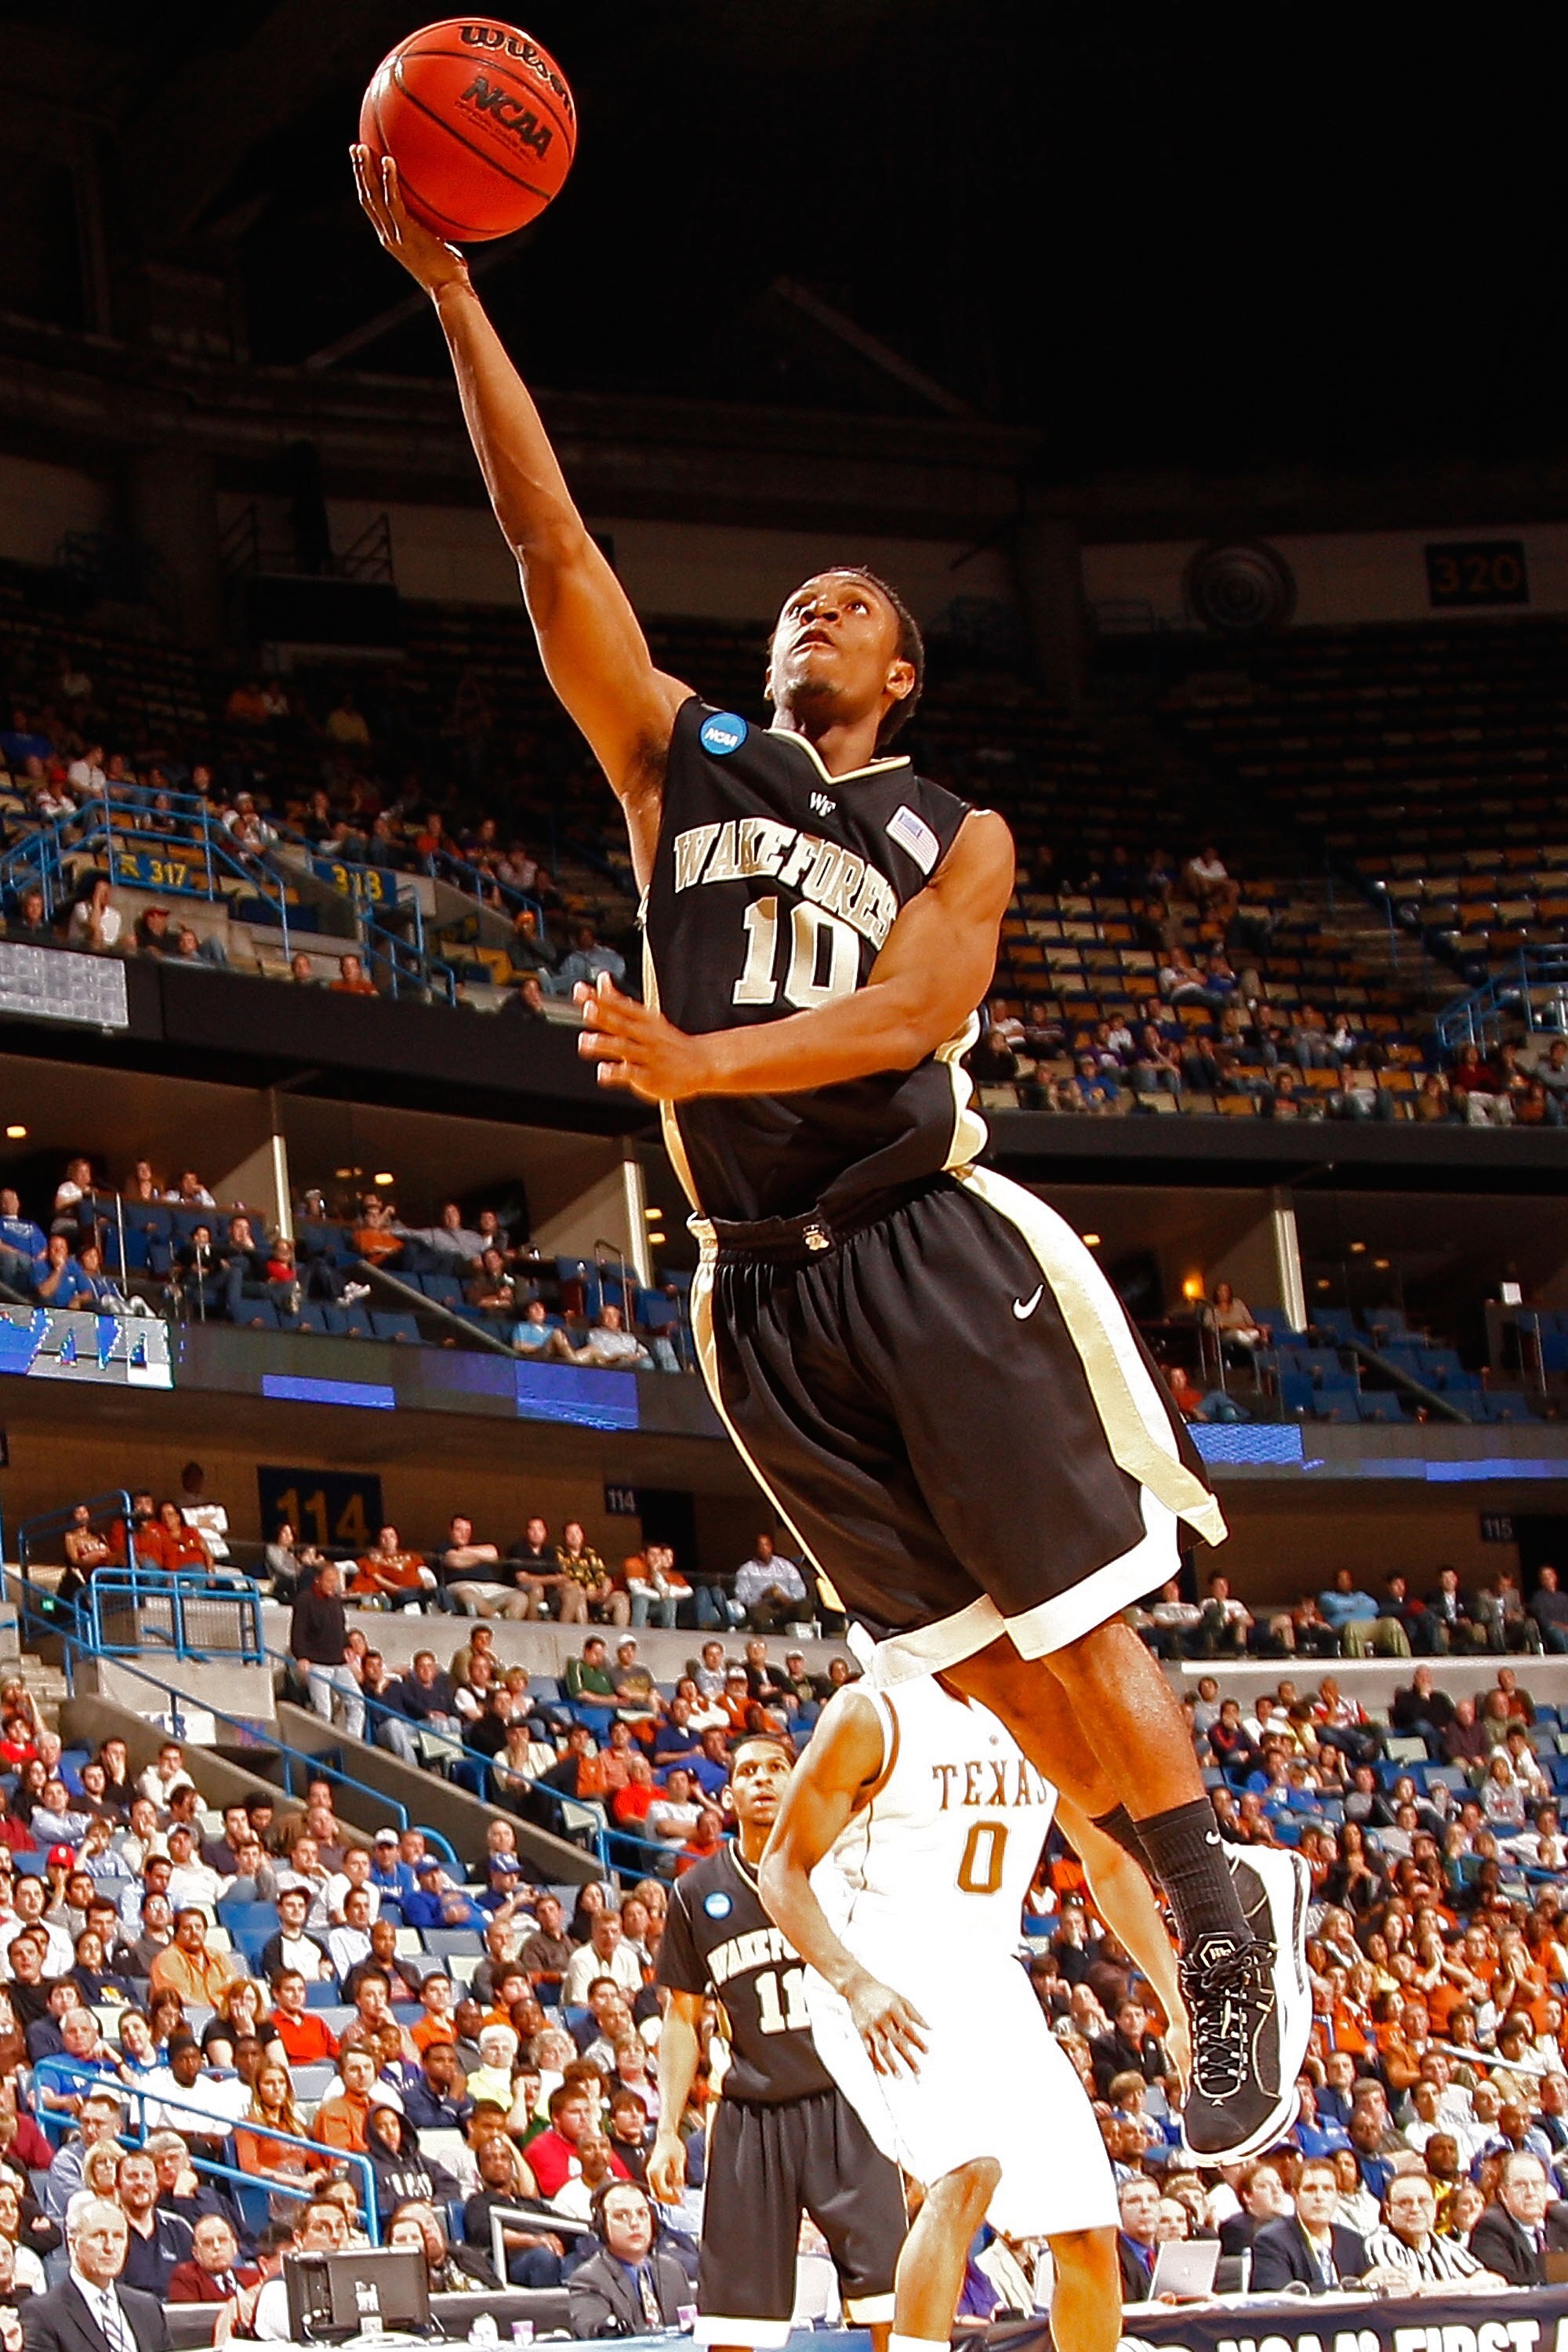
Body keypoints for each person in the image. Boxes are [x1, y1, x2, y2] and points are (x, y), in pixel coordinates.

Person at [353, 142, 1304, 2164]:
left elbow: (907, 1020)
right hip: (753, 1299)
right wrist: (449, 292)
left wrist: (697, 1055)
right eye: (800, 591)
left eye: (856, 603)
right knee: (990, 1684)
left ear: (902, 676)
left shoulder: (952, 825)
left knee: (1071, 1626)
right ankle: (1193, 1902)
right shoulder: (676, 756)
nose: (819, 604)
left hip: (916, 1236)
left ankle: (1219, 1925)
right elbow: (548, 551)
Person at [760, 1668, 1192, 2352]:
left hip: (990, 1980)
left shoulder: (1045, 1716)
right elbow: (781, 1868)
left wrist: (1172, 1996)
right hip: (880, 1977)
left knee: (1086, 2227)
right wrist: (854, 1981)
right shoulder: (872, 1711)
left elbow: (1108, 1866)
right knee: (968, 2169)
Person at [649, 1734, 902, 2352]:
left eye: (776, 1768)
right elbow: (682, 2020)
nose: (762, 1780)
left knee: (893, 2302)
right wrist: (666, 2134)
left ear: (797, 1781)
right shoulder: (694, 1892)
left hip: (849, 2103)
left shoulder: (844, 1874)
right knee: (732, 2323)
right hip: (752, 2115)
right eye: (747, 1771)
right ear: (728, 1792)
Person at [20, 2196, 171, 2352]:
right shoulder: (43, 2313)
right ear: (73, 2243)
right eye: (99, 2236)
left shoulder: (148, 2308)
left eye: (118, 2236)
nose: (110, 2247)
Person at [568, 2180, 692, 2339]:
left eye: (642, 2214)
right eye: (622, 2216)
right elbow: (595, 2334)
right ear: (602, 2225)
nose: (635, 2223)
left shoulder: (673, 2270)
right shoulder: (588, 2279)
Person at [1248, 2156, 1367, 2292]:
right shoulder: (1272, 2241)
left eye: (1327, 2189)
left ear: (1337, 2196)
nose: (1319, 2197)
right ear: (1295, 2195)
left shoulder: (1353, 2242)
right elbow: (1276, 2303)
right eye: (1310, 2189)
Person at [1468, 2151, 1568, 2285]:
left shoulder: (1562, 2218)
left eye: (1537, 2184)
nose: (1531, 2193)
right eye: (1521, 2185)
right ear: (1503, 2193)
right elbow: (1511, 2281)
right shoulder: (1490, 2227)